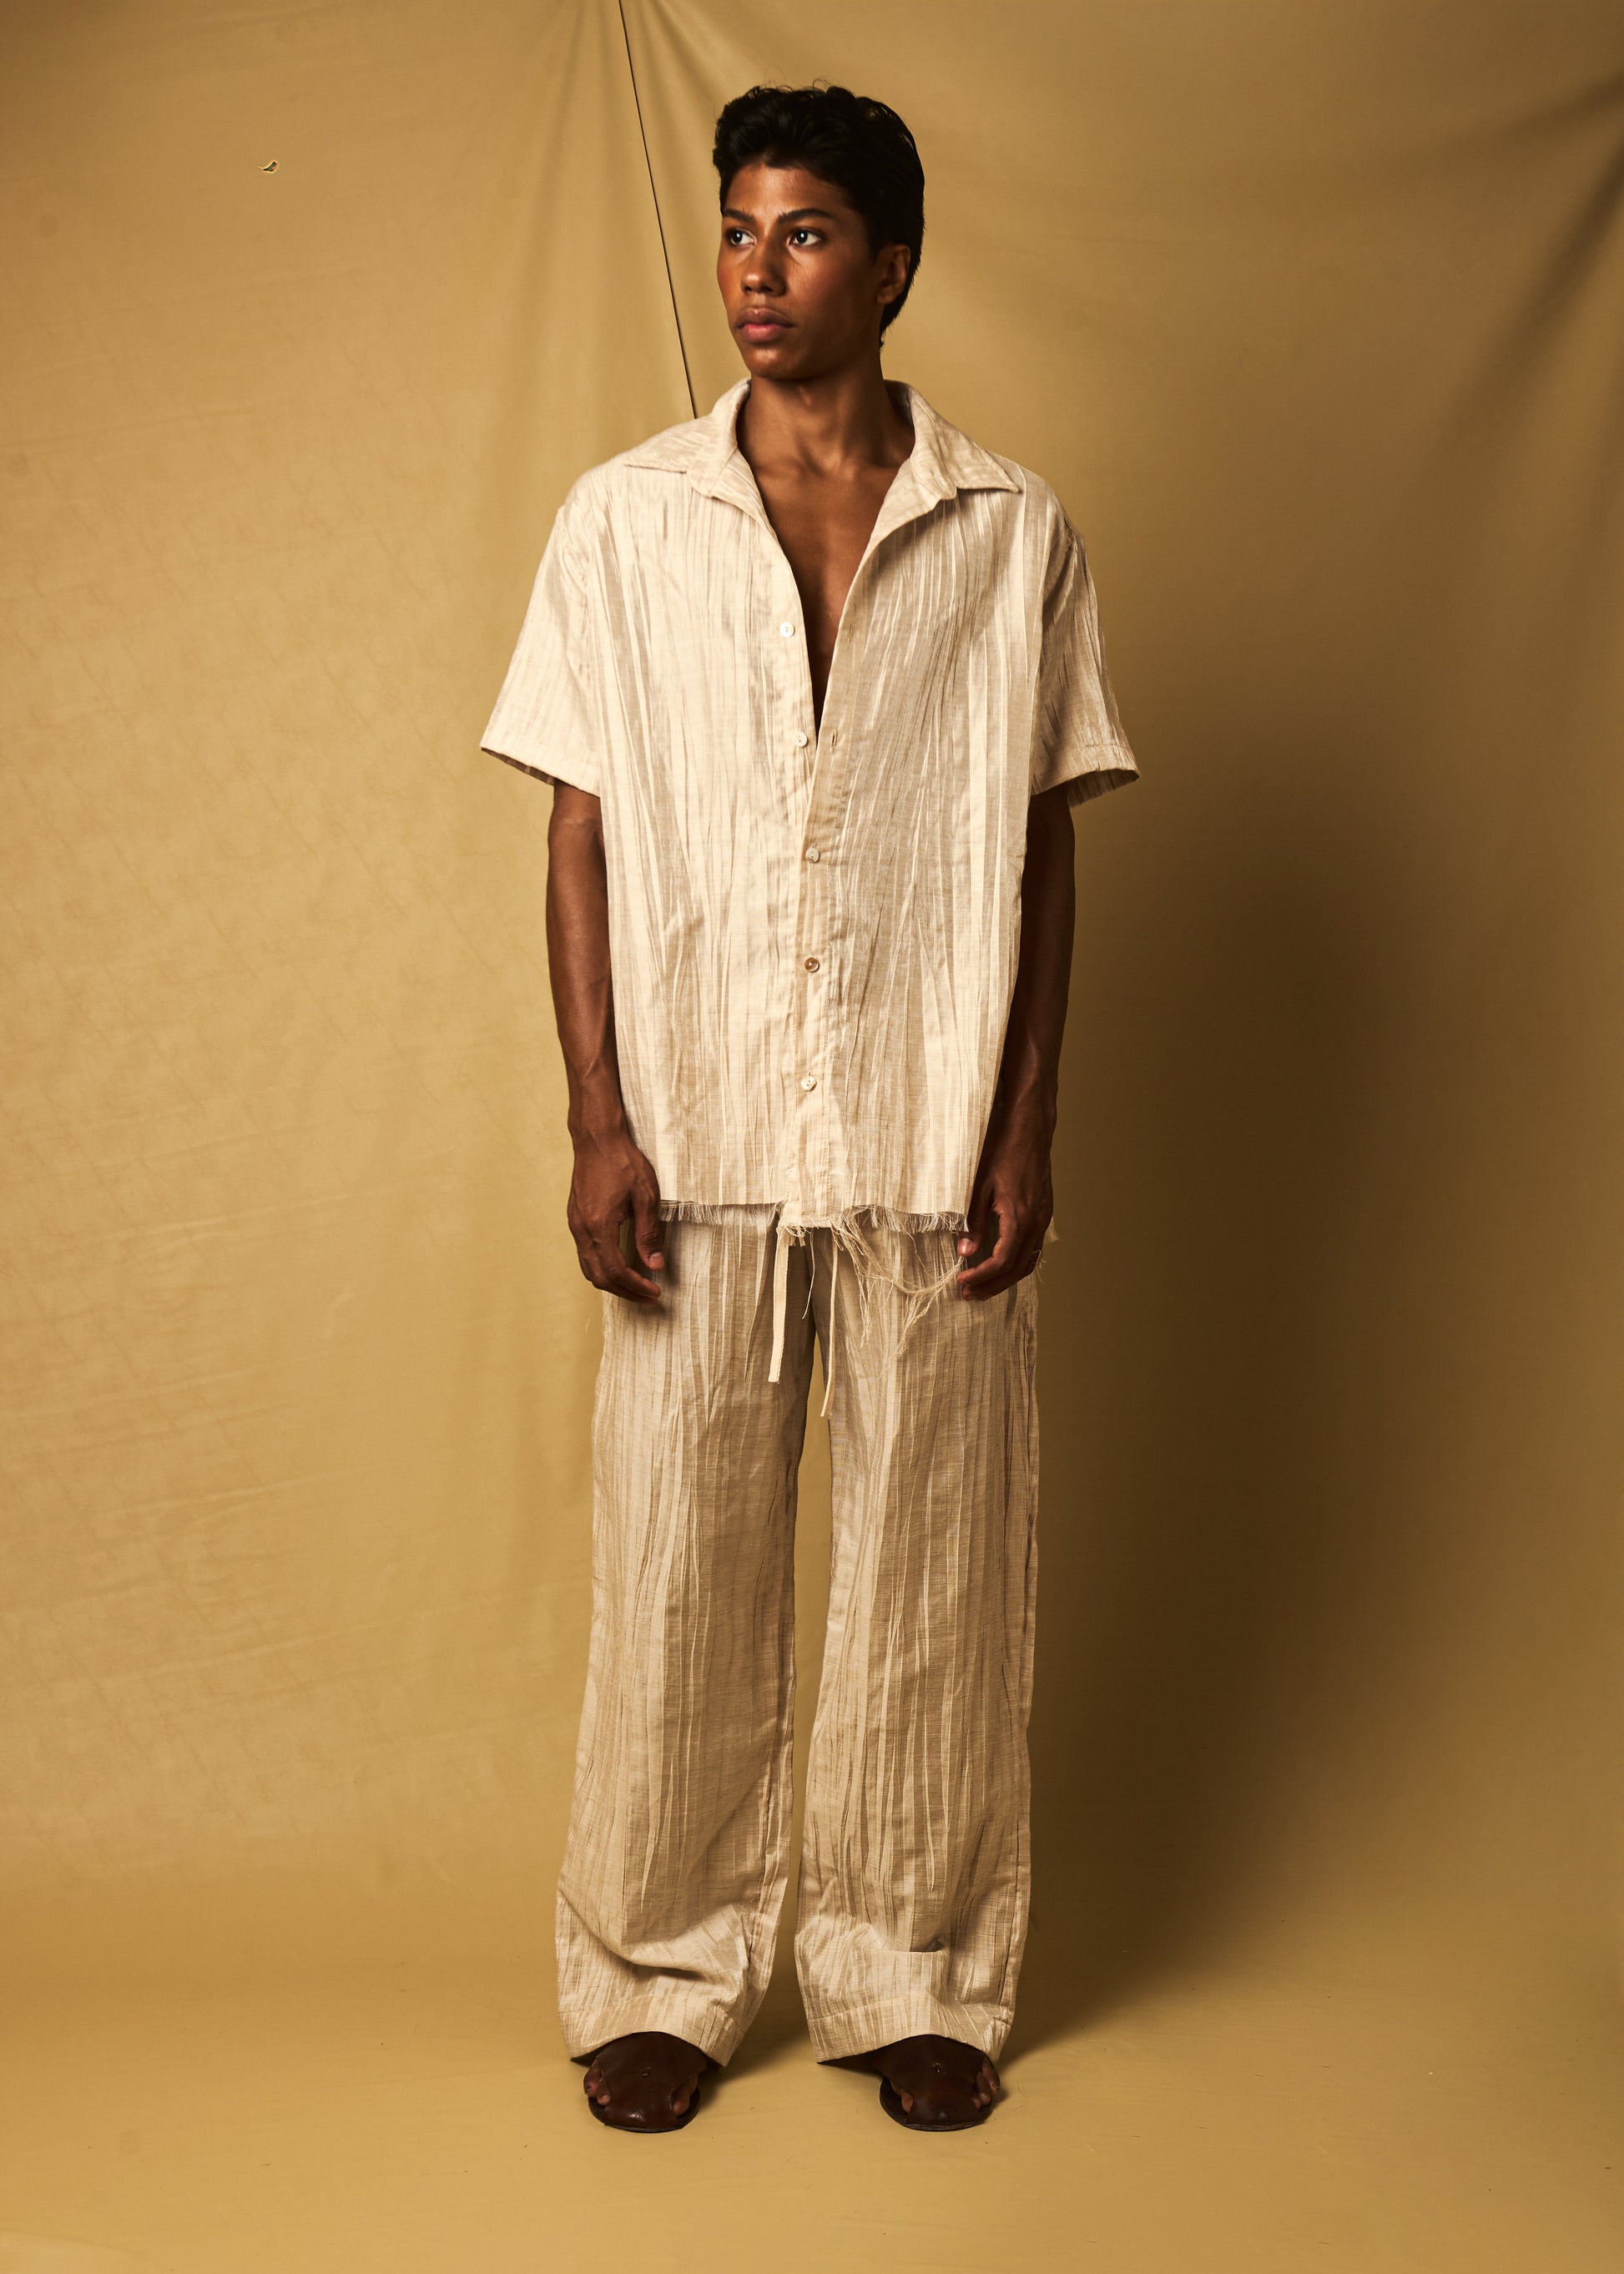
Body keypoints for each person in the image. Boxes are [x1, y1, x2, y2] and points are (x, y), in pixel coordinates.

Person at [480, 82, 1137, 2134]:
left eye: (807, 233)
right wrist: (599, 1120)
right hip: (693, 1122)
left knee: (937, 1565)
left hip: (932, 1120)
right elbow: (580, 830)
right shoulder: (623, 519)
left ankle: (911, 1970)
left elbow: (1039, 842)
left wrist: (1023, 1125)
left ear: (893, 264)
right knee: (680, 1560)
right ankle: (662, 1976)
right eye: (739, 229)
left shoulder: (1011, 529)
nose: (756, 272)